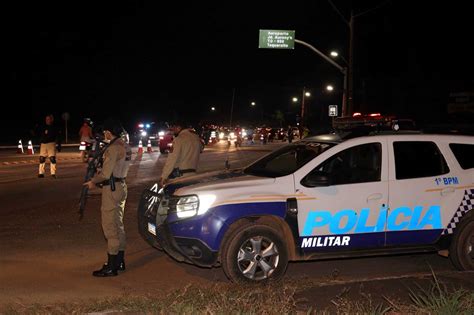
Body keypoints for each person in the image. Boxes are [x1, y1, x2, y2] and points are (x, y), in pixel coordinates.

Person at [83, 118, 131, 277]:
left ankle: (111, 267)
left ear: (109, 133)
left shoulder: (113, 149)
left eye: (105, 133)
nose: (104, 135)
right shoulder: (124, 146)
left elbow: (105, 173)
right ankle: (120, 261)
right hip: (121, 186)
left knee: (110, 227)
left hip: (111, 189)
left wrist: (93, 182)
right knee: (118, 225)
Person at [159, 120, 202, 187]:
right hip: (193, 175)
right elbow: (201, 148)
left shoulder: (179, 139)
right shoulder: (196, 138)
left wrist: (164, 176)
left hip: (180, 177)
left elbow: (172, 159)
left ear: (178, 128)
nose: (173, 131)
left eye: (174, 128)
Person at [38, 114, 59, 178]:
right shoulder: (43, 127)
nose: (47, 120)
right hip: (43, 144)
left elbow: (58, 136)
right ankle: (41, 173)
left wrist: (59, 145)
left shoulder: (54, 127)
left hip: (51, 144)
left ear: (51, 120)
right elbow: (40, 135)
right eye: (46, 119)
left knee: (52, 159)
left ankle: (53, 173)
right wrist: (40, 142)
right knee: (42, 159)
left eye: (48, 119)